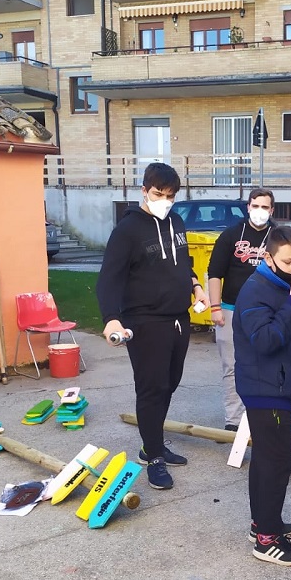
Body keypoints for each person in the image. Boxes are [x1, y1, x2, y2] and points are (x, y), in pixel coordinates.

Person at [96, 163, 209, 490]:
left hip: (179, 318)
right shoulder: (128, 231)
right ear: (144, 190)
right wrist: (110, 318)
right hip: (144, 320)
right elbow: (108, 279)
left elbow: (182, 263)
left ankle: (151, 444)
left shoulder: (176, 221)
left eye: (170, 196)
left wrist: (196, 286)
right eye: (159, 194)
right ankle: (154, 458)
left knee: (170, 382)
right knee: (151, 387)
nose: (165, 201)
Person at [233, 226, 291, 566]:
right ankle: (267, 540)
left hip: (276, 385)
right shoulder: (256, 291)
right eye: (287, 261)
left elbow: (287, 338)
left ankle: (262, 524)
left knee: (267, 457)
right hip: (264, 390)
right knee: (278, 460)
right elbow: (266, 340)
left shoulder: (280, 284)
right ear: (268, 258)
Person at [207, 188, 277, 431]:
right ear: (248, 207)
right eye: (255, 206)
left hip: (267, 313)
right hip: (230, 309)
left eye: (265, 207)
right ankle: (234, 421)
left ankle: (263, 418)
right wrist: (215, 308)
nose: (260, 211)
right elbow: (215, 273)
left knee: (266, 365)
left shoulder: (278, 237)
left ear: (272, 210)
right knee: (232, 366)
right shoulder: (231, 235)